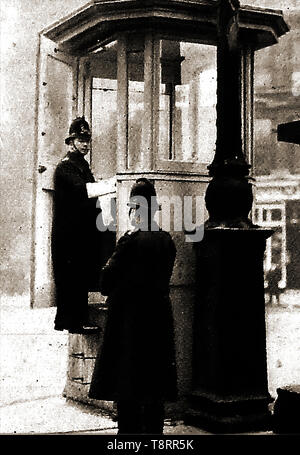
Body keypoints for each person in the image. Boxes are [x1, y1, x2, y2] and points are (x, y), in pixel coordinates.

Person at [89, 178, 177, 434]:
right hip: (158, 322)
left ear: (137, 210)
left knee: (128, 388)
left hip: (129, 324)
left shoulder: (129, 241)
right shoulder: (166, 241)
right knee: (154, 389)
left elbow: (106, 281)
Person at [51, 116, 110, 334]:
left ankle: (76, 320)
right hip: (70, 237)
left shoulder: (80, 165)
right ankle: (75, 321)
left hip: (77, 235)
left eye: (87, 140)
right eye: (81, 140)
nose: (85, 144)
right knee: (73, 280)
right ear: (71, 141)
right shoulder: (66, 168)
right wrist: (113, 184)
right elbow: (85, 190)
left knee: (78, 279)